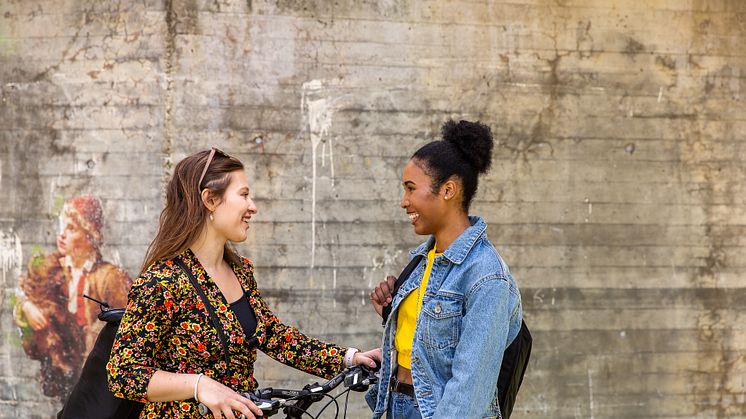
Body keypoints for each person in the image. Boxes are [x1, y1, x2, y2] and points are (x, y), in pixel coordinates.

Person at [107, 148, 380, 419]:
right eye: (244, 195)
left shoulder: (240, 271)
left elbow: (274, 337)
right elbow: (124, 374)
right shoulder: (162, 281)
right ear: (210, 200)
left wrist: (349, 358)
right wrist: (200, 385)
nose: (253, 207)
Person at [367, 120, 523, 418]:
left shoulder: (487, 277)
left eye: (411, 189)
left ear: (448, 189)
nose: (404, 202)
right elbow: (431, 344)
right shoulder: (424, 260)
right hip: (397, 405)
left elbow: (469, 392)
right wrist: (391, 312)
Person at [14, 195, 131, 399]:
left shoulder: (110, 277)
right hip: (60, 371)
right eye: (62, 227)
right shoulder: (50, 269)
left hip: (95, 375)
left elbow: (129, 325)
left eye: (71, 229)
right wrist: (27, 307)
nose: (62, 235)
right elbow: (23, 292)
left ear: (89, 236)